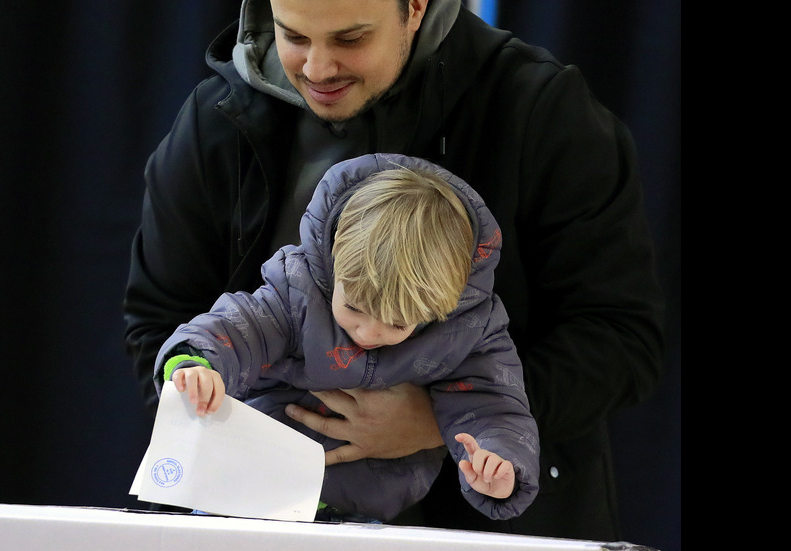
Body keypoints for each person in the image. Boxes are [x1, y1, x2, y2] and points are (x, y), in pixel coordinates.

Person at [124, 0, 664, 540]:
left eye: (350, 39)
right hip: (258, 512)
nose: (317, 68)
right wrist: (231, 428)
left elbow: (620, 338)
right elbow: (160, 325)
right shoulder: (217, 118)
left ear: (415, 9)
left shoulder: (537, 107)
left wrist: (440, 422)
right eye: (292, 36)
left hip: (486, 526)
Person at [156, 153, 539, 522]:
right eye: (354, 307)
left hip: (361, 511)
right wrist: (195, 364)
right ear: (333, 259)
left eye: (398, 322)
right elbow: (237, 328)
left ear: (442, 305)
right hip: (249, 488)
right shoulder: (297, 294)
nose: (369, 332)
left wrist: (498, 461)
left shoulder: (469, 331)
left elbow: (494, 406)